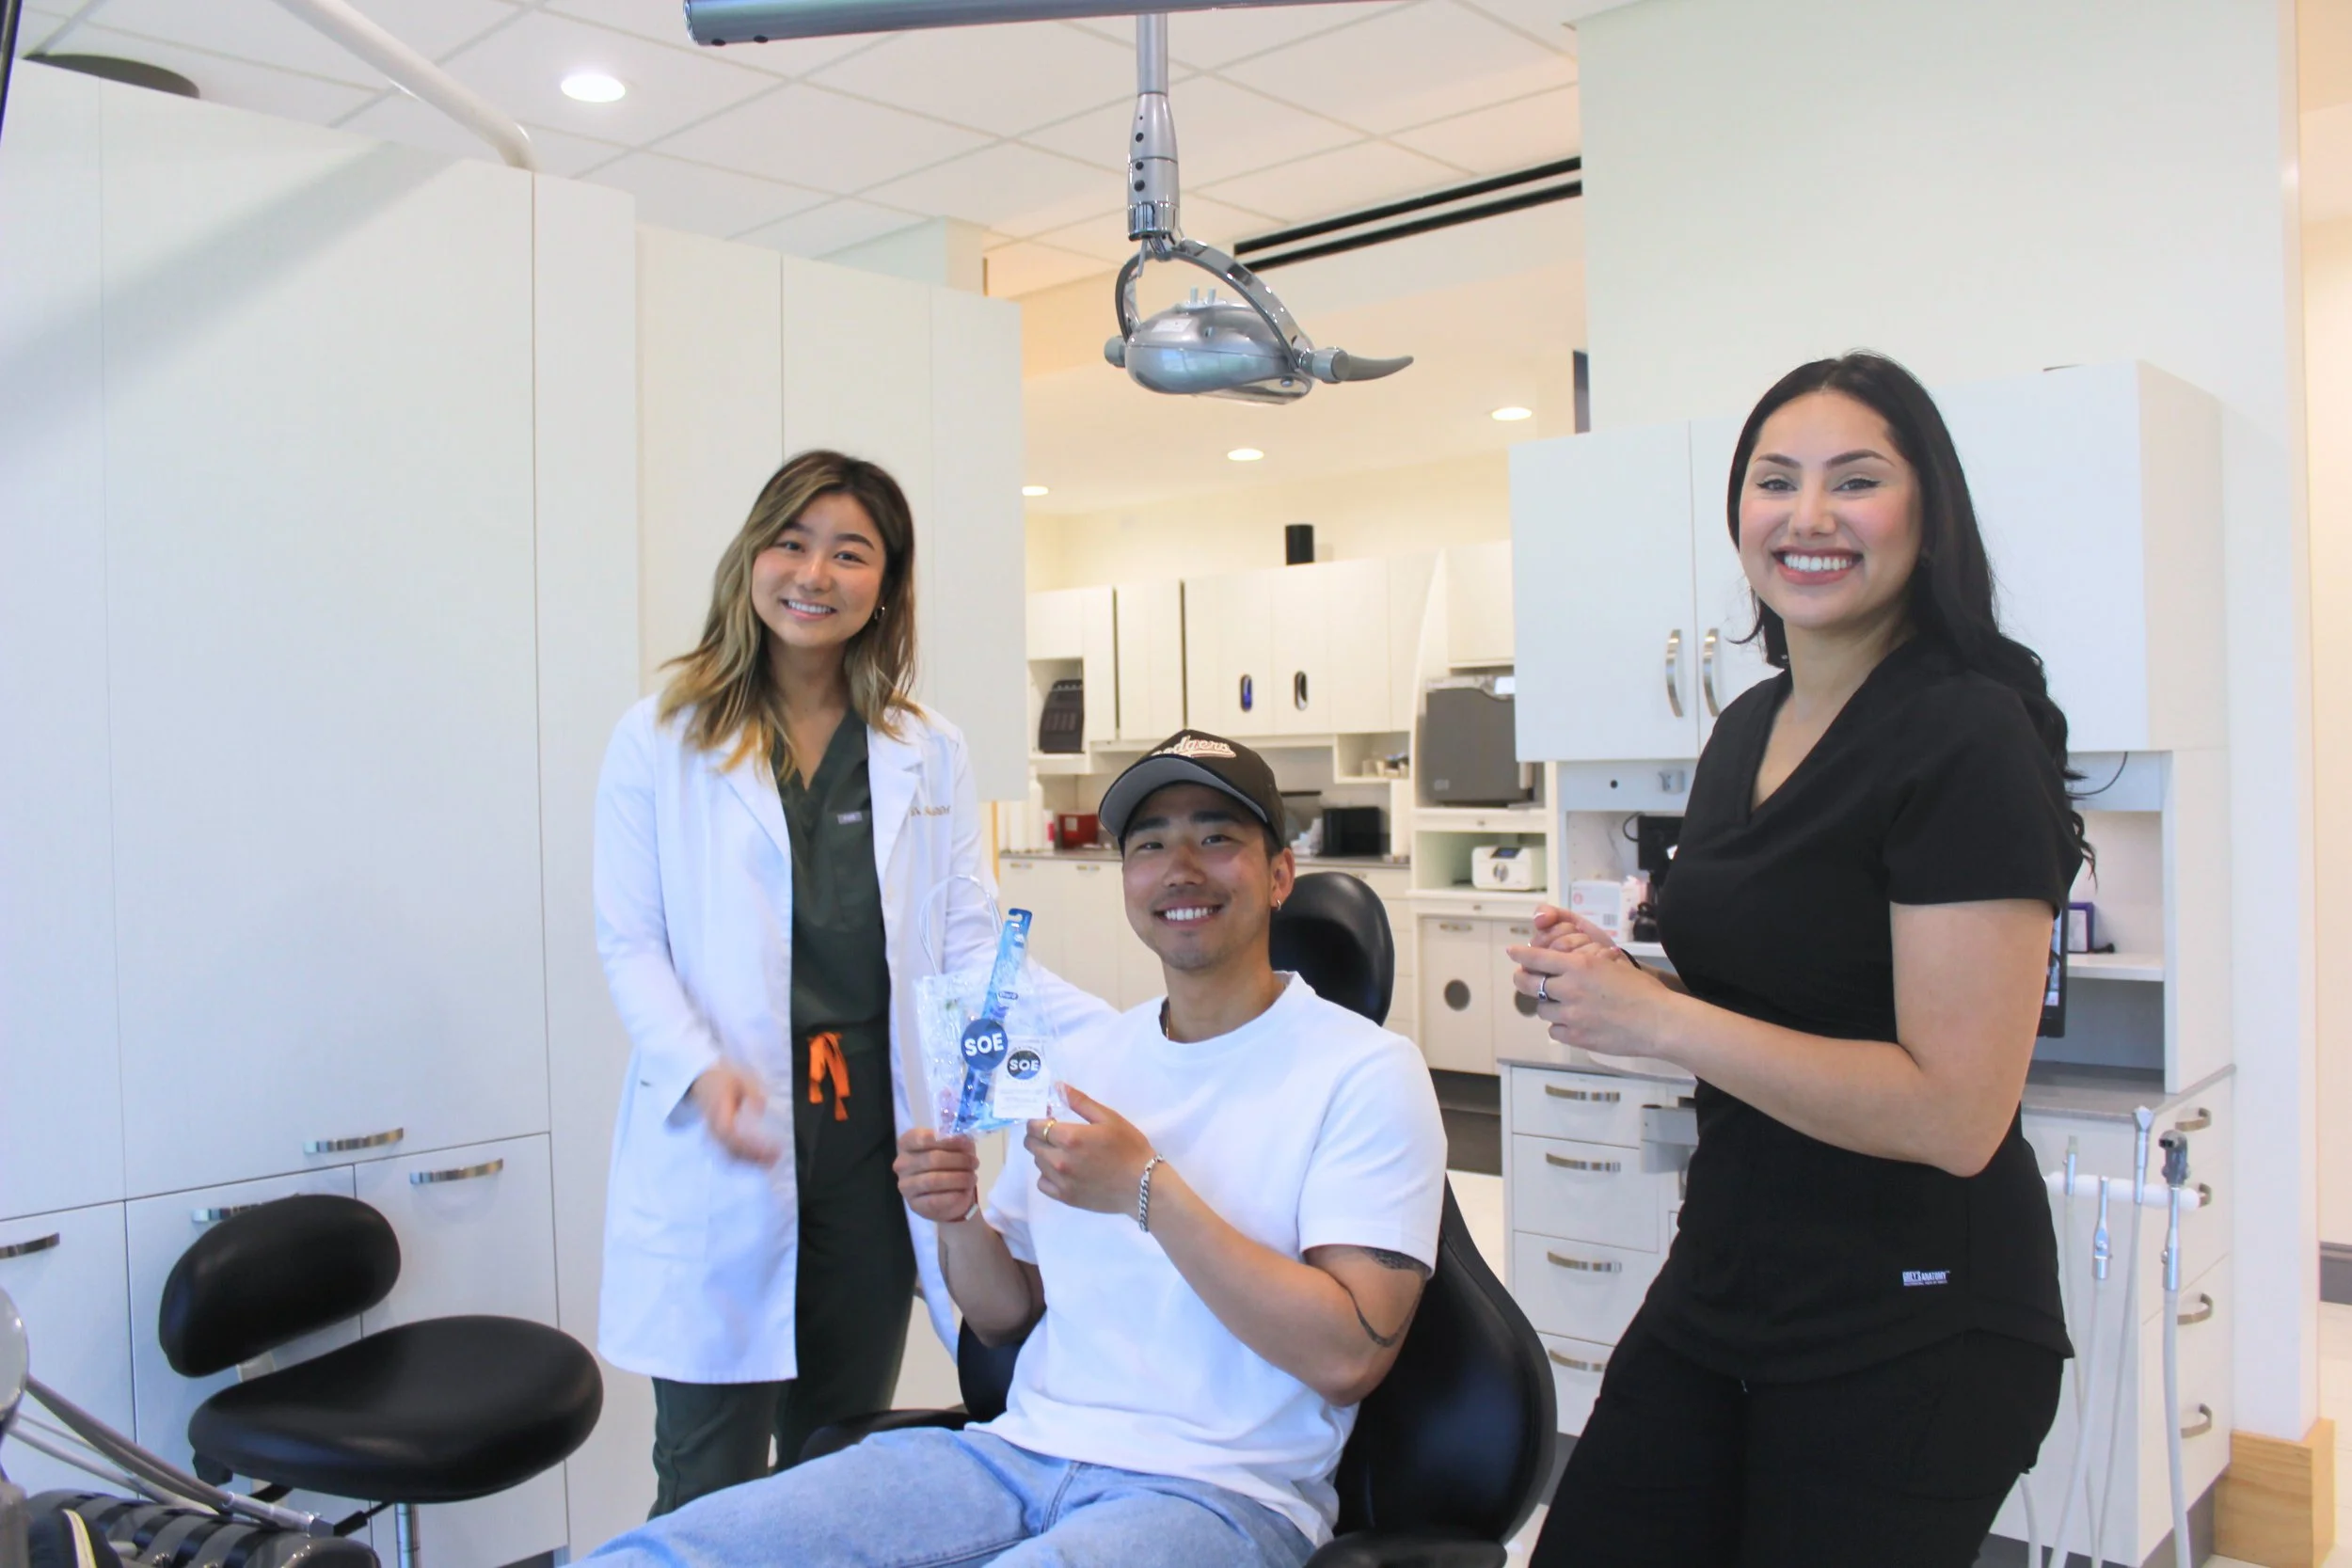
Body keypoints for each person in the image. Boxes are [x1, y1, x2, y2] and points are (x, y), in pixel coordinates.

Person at [588, 730, 1449, 1568]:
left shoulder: (1366, 1072)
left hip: (1217, 1496)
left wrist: (1147, 1188)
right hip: (1012, 1458)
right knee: (671, 1550)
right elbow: (1005, 1312)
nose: (1181, 867)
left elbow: (1348, 1355)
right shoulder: (1088, 1061)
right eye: (1150, 844)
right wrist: (957, 1217)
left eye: (1218, 838)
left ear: (1279, 873)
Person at [1517, 354, 2085, 1567]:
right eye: (1775, 481)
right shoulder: (1742, 730)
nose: (1808, 516)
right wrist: (1620, 989)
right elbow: (1769, 999)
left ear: (1927, 514)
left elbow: (1954, 1112)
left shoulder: (1965, 731)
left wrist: (1658, 1023)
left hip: (1915, 1313)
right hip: (1728, 1269)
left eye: (1856, 480)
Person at [593, 450, 1111, 1513]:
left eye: (849, 552)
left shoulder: (929, 747)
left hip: (879, 1151)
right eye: (792, 541)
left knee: (836, 1466)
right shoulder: (660, 738)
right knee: (705, 1477)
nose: (813, 573)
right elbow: (629, 942)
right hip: (727, 1142)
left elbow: (972, 945)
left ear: (887, 582)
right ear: (752, 556)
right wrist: (700, 1069)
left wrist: (1126, 1037)